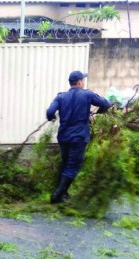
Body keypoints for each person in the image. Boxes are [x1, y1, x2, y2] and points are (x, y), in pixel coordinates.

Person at [46, 70, 112, 203]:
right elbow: (106, 103)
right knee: (73, 166)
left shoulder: (61, 97)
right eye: (83, 80)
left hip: (64, 137)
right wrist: (100, 111)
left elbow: (49, 112)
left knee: (66, 164)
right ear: (80, 82)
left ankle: (63, 193)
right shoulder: (87, 94)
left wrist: (53, 118)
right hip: (78, 137)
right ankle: (57, 195)